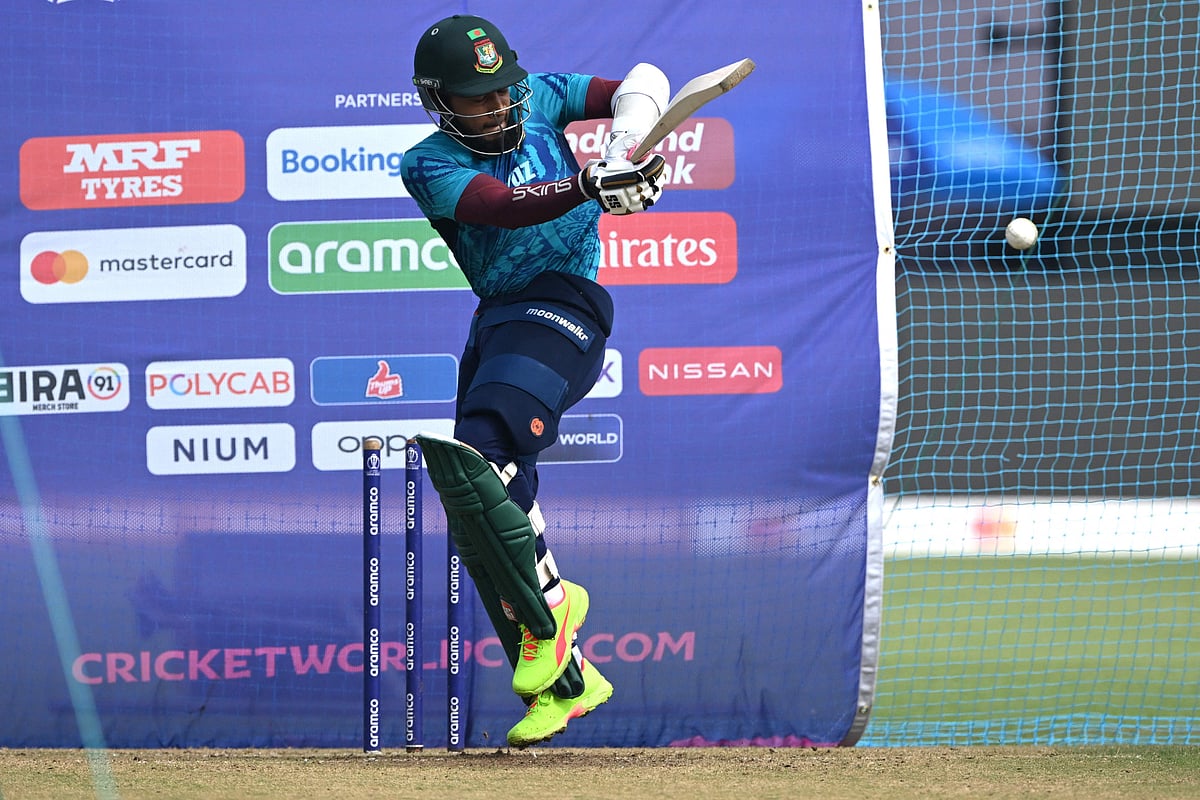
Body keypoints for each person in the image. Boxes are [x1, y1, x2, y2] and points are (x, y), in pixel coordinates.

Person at [400, 14, 669, 748]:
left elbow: (644, 88)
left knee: (486, 448)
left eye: (501, 91)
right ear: (438, 101)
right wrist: (589, 183)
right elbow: (496, 207)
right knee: (480, 497)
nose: (496, 107)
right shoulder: (424, 162)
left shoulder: (545, 94)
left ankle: (556, 613)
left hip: (566, 302)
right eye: (475, 97)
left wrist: (625, 155)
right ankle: (569, 680)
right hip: (499, 318)